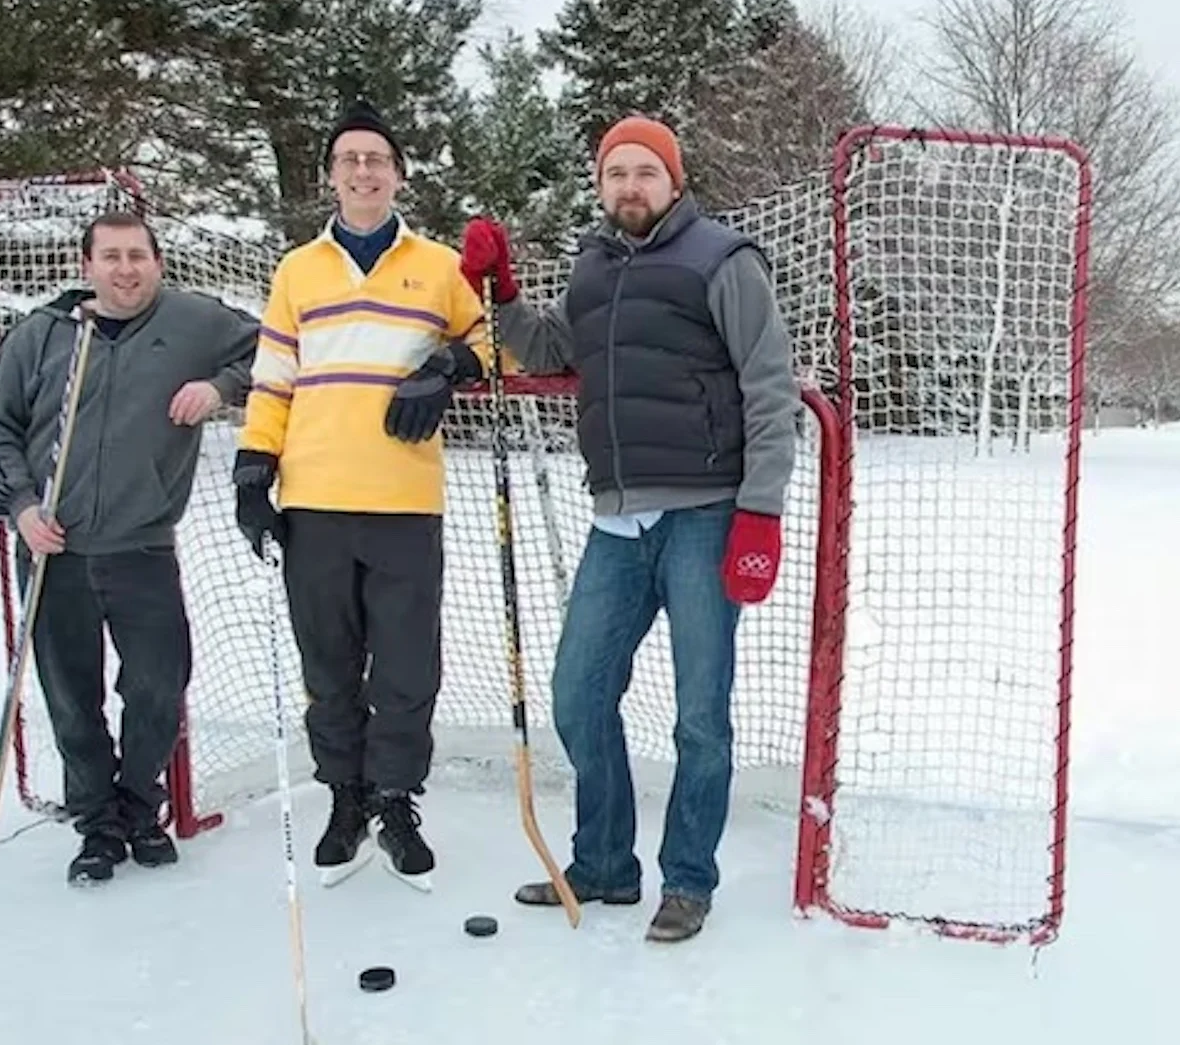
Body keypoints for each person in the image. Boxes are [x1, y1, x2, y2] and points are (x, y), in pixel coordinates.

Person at [458, 114, 800, 941]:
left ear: (674, 182)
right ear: (601, 186)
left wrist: (760, 510)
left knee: (699, 715)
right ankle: (604, 863)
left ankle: (687, 879)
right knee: (578, 693)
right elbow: (552, 350)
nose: (631, 187)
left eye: (646, 172)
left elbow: (769, 384)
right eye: (617, 174)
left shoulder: (722, 259)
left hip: (705, 514)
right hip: (616, 519)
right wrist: (500, 295)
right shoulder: (594, 265)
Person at [230, 98, 489, 892]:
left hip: (406, 501)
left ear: (399, 174)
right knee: (330, 665)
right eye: (350, 159)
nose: (365, 170)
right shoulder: (297, 271)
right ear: (331, 177)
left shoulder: (441, 266)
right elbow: (273, 381)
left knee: (408, 667)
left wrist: (446, 367)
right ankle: (344, 797)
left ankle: (395, 800)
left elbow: (487, 341)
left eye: (378, 158)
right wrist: (253, 468)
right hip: (315, 498)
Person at [0, 211, 258, 886]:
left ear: (158, 263)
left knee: (159, 683)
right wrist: (21, 506)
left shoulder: (192, 322)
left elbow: (272, 349)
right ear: (86, 266)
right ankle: (96, 820)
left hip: (141, 545)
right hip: (53, 546)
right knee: (71, 695)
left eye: (138, 256)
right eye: (112, 257)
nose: (126, 269)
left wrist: (219, 387)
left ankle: (136, 806)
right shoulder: (44, 335)